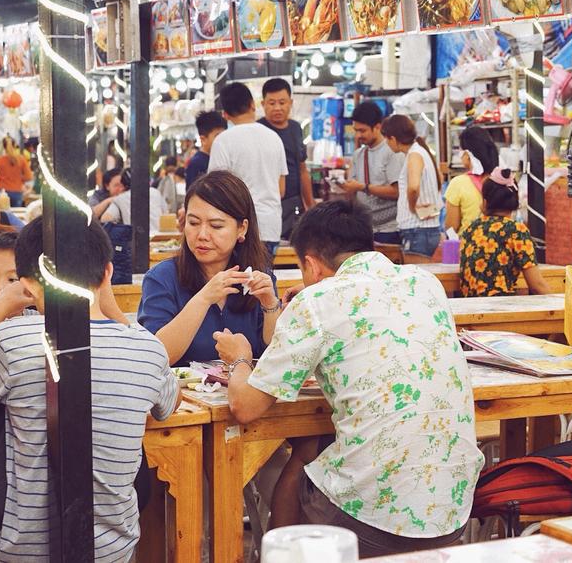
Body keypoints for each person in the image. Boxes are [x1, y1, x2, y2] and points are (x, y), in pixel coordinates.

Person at [214, 200, 483, 557]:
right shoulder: (426, 284)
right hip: (454, 510)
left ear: (310, 264)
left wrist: (239, 359)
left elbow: (245, 407)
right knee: (319, 448)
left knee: (301, 462)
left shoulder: (317, 301)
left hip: (373, 521)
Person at [0, 217, 178, 561]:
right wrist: (118, 315)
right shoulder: (148, 348)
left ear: (27, 283)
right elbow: (170, 403)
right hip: (113, 551)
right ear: (107, 273)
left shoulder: (10, 339)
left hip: (12, 551)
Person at [138, 171, 279, 366]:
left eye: (216, 225)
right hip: (182, 395)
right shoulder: (161, 278)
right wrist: (204, 298)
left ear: (242, 228)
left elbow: (274, 362)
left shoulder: (259, 278)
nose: (202, 234)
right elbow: (156, 357)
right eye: (193, 223)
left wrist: (270, 305)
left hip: (242, 393)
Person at [210, 83, 287, 254]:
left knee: (239, 279)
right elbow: (281, 189)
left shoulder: (223, 141)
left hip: (237, 229)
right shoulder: (274, 138)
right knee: (264, 279)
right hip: (270, 226)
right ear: (253, 104)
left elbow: (216, 191)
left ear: (225, 114)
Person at [459, 167, 551, 297]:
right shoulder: (516, 231)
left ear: (485, 202)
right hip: (500, 309)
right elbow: (537, 285)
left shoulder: (471, 229)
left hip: (468, 308)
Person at [258, 78, 315, 239]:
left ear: (291, 102)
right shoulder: (258, 129)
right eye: (272, 103)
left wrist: (310, 204)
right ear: (263, 104)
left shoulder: (296, 128)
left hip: (294, 203)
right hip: (267, 205)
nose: (277, 108)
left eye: (282, 102)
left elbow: (302, 169)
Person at [381, 114, 443, 261]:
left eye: (387, 139)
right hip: (425, 229)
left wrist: (411, 205)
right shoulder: (422, 151)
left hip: (417, 230)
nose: (387, 143)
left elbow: (413, 187)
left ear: (394, 138)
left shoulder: (414, 155)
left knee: (415, 281)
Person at [342, 101, 404, 244]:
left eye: (362, 131)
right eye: (355, 130)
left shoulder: (391, 152)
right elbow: (353, 188)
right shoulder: (358, 154)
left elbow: (397, 192)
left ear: (377, 127)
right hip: (365, 229)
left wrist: (363, 187)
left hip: (389, 230)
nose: (357, 136)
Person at [445, 126, 499, 233]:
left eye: (460, 149)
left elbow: (451, 227)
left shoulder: (458, 183)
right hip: (496, 244)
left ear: (468, 154)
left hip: (468, 246)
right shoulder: (501, 180)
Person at [94, 167, 167, 236]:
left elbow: (105, 219)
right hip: (159, 239)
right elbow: (166, 214)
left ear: (123, 184)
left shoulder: (120, 199)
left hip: (136, 241)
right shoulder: (155, 192)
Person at [186, 110, 227, 188]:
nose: (222, 140)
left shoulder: (221, 156)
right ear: (203, 139)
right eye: (218, 136)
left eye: (224, 136)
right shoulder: (196, 164)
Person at [0, 135, 33, 207]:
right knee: (15, 215)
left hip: (2, 191)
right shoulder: (21, 159)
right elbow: (29, 176)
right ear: (15, 145)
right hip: (17, 192)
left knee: (3, 215)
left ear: (3, 146)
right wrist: (19, 179)